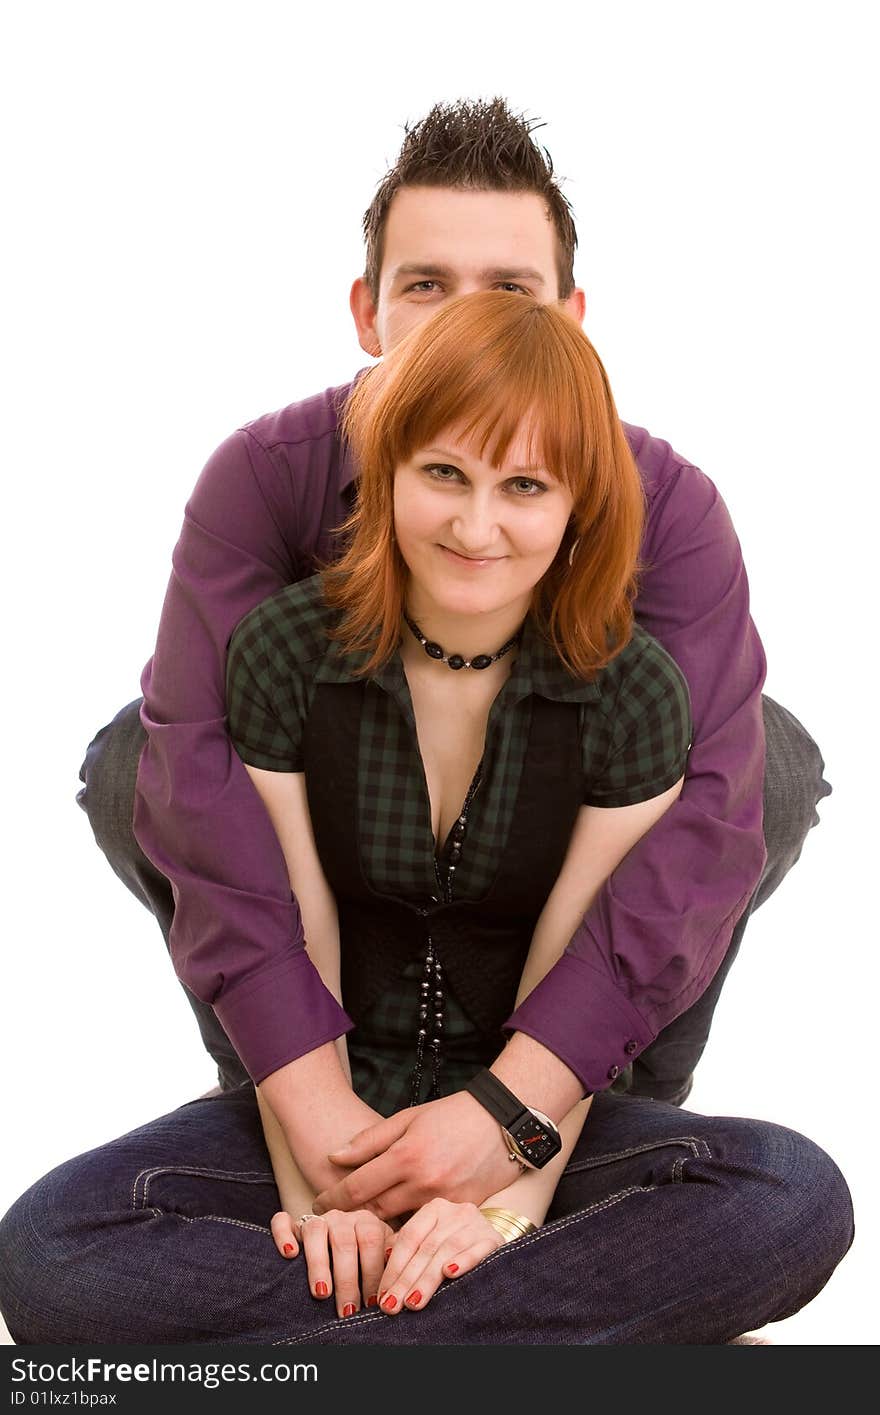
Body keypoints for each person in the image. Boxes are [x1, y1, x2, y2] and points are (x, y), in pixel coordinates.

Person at [0, 291, 853, 1345]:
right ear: (390, 468)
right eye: (443, 473)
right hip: (332, 1116)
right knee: (50, 1253)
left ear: (579, 502)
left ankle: (347, 1350)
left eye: (524, 486)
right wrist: (330, 1201)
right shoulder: (285, 652)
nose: (475, 525)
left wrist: (498, 1214)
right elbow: (288, 929)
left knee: (788, 1195)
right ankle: (503, 1342)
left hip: (527, 1118)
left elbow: (569, 971)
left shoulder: (633, 692)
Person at [70, 100, 830, 1188]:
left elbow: (707, 813)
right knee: (135, 762)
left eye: (510, 293)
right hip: (343, 901)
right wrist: (312, 1102)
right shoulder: (260, 473)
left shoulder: (671, 502)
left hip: (547, 901)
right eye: (425, 286)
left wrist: (522, 1104)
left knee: (770, 758)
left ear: (569, 319)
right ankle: (291, 1102)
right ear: (367, 312)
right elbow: (192, 770)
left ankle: (603, 1113)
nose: (463, 324)